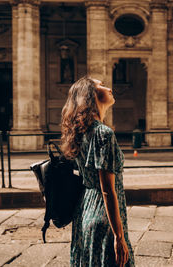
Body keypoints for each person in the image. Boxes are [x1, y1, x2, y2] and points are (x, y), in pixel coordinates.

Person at [61, 77, 135, 267]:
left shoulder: (81, 132)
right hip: (104, 217)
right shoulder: (104, 133)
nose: (108, 88)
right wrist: (119, 237)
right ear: (90, 96)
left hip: (84, 212)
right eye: (100, 86)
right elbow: (108, 190)